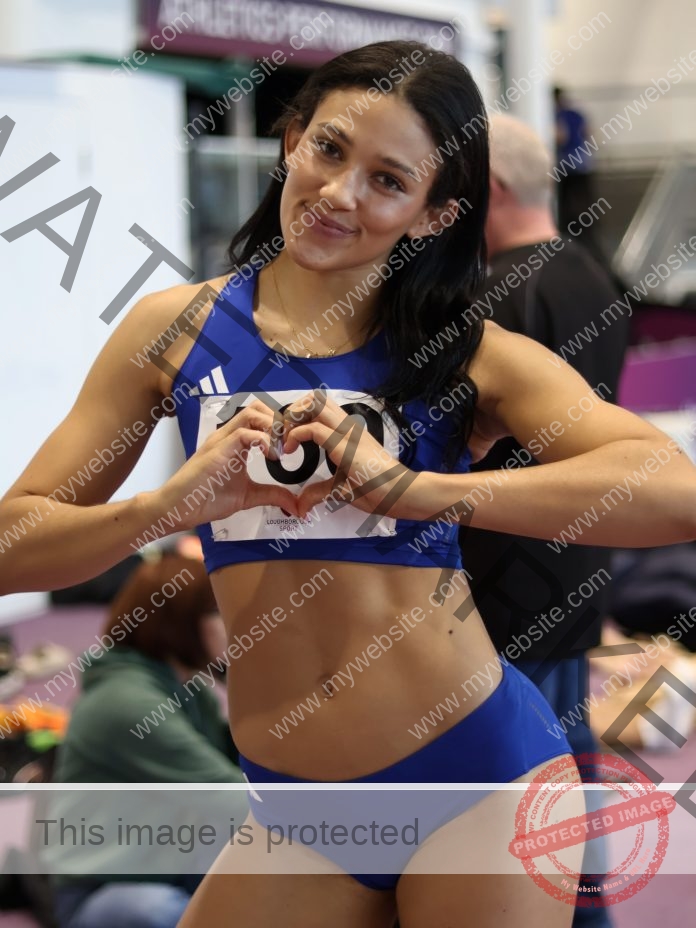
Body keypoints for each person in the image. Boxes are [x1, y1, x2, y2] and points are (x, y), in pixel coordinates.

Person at [1, 40, 695, 928]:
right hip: (299, 806)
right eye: (328, 150)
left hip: (477, 776)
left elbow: (674, 489)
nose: (337, 194)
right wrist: (171, 505)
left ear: (434, 215)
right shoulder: (172, 331)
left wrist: (421, 492)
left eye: (387, 179)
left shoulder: (465, 352)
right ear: (290, 139)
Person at [459, 113, 630, 927]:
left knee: (521, 795)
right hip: (574, 562)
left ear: (485, 187)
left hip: (506, 578)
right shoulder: (592, 275)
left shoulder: (497, 300)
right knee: (568, 779)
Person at [50, 553, 244, 928]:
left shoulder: (185, 686)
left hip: (163, 859)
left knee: (253, 871)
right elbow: (235, 798)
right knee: (170, 914)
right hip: (98, 889)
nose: (231, 625)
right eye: (218, 613)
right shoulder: (129, 704)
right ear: (181, 624)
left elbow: (241, 757)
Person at [553, 87, 603, 263]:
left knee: (570, 212)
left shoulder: (556, 115)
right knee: (585, 209)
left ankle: (574, 239)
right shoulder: (576, 113)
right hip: (583, 165)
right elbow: (589, 133)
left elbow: (561, 136)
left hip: (567, 169)